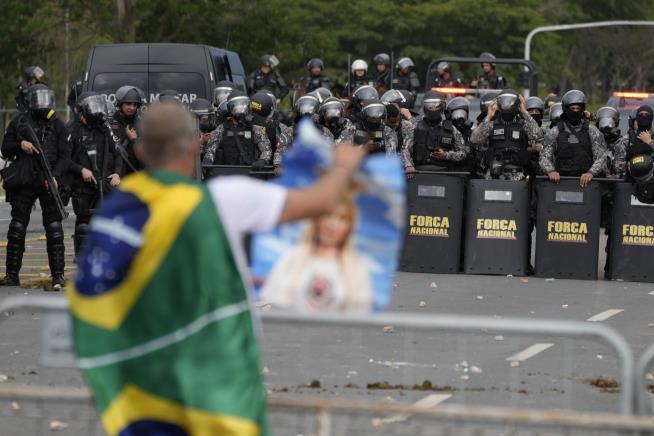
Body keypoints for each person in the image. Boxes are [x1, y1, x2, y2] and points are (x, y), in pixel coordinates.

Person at [66, 101, 367, 436]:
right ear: (196, 144)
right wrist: (343, 165)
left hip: (144, 388)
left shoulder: (119, 207)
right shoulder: (224, 199)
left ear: (139, 148)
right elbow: (321, 201)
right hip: (212, 391)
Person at [1, 85, 70, 288]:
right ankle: (12, 275)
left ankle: (58, 275)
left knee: (55, 228)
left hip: (48, 180)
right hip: (25, 180)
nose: (42, 104)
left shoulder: (58, 125)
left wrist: (56, 175)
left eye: (45, 99)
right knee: (17, 227)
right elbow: (5, 149)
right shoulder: (20, 122)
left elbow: (66, 156)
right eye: (38, 100)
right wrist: (20, 145)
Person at [260, 189, 372, 312]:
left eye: (342, 219)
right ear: (316, 221)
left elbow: (360, 314)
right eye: (328, 216)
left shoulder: (356, 269)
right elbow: (270, 303)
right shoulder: (292, 258)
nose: (332, 225)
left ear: (349, 228)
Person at [67, 92, 122, 259]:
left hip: (104, 183)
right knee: (84, 224)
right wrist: (80, 170)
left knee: (106, 222)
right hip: (82, 186)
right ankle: (81, 258)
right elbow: (64, 160)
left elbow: (118, 153)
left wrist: (117, 173)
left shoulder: (104, 129)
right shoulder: (72, 130)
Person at [540, 90, 607, 188]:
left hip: (586, 182)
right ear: (566, 109)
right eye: (572, 108)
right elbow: (544, 157)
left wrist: (591, 173)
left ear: (582, 109)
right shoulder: (555, 132)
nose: (575, 111)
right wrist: (551, 171)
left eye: (578, 108)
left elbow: (601, 157)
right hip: (561, 181)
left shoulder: (592, 131)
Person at [470, 89, 541, 181]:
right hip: (493, 174)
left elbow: (539, 137)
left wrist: (525, 113)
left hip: (517, 174)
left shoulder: (524, 125)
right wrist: (488, 117)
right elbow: (474, 139)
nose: (507, 106)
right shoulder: (491, 125)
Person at [202, 90, 272, 176]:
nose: (241, 108)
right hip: (227, 175)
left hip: (249, 173)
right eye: (238, 105)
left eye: (244, 104)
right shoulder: (222, 129)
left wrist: (262, 161)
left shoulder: (254, 129)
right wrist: (208, 160)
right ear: (230, 107)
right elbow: (211, 149)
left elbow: (266, 148)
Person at [403, 91, 467, 177]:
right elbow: (405, 148)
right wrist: (409, 165)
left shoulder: (451, 129)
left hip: (443, 173)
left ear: (442, 107)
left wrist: (446, 155)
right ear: (424, 107)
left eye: (436, 106)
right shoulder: (415, 126)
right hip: (419, 172)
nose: (433, 109)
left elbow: (463, 153)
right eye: (430, 106)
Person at [250, 91, 292, 171]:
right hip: (247, 169)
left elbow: (282, 149)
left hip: (272, 171)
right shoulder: (246, 125)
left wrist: (277, 165)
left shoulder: (281, 128)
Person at [109, 85, 146, 174]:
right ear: (120, 104)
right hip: (116, 176)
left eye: (135, 105)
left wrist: (134, 140)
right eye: (128, 104)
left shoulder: (142, 125)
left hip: (136, 175)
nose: (132, 108)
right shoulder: (110, 124)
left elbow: (146, 155)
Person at [612, 105, 654, 181]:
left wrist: (650, 142)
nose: (643, 117)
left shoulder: (652, 139)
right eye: (640, 115)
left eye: (647, 115)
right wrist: (630, 166)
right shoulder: (626, 140)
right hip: (631, 184)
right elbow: (617, 167)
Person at [595, 106, 622, 177]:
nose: (607, 126)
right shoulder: (593, 141)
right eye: (603, 122)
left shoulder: (622, 142)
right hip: (594, 180)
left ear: (616, 124)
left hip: (619, 182)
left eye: (611, 123)